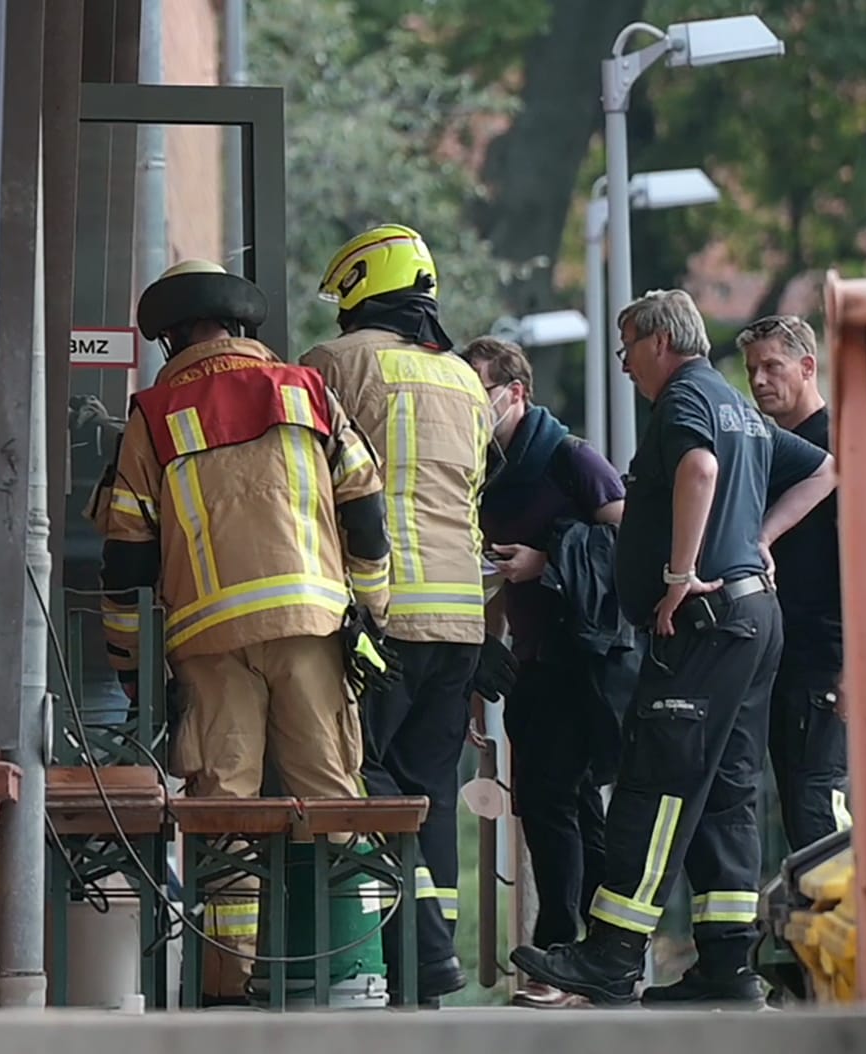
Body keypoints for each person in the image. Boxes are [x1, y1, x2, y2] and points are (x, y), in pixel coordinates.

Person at [510, 290, 838, 1009]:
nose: (623, 364)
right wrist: (760, 541)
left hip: (705, 623)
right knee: (725, 793)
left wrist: (680, 574)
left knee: (653, 784)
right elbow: (824, 468)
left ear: (661, 341)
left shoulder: (686, 398)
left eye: (627, 346)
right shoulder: (736, 405)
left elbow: (699, 471)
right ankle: (727, 965)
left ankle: (611, 952)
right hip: (754, 618)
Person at [86, 259, 392, 1004]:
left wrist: (129, 667)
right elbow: (366, 506)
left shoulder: (152, 416)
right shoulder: (306, 390)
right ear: (243, 325)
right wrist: (372, 612)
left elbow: (124, 558)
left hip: (208, 639)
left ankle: (225, 987)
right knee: (332, 797)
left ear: (169, 338)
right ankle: (352, 975)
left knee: (226, 809)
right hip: (312, 624)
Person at [300, 224, 491, 1005]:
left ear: (358, 292)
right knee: (431, 793)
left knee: (365, 780)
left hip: (385, 616)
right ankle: (426, 980)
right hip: (462, 621)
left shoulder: (335, 364)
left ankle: (425, 943)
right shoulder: (468, 382)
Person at [460, 337, 638, 1006]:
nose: (471, 406)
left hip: (585, 658)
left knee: (550, 799)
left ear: (515, 392)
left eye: (479, 392)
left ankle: (563, 947)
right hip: (533, 659)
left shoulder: (569, 457)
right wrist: (488, 669)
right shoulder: (489, 472)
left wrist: (548, 559)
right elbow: (500, 578)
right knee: (561, 803)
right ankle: (595, 953)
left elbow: (627, 538)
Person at [739, 315, 850, 851]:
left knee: (817, 805)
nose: (760, 380)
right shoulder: (773, 452)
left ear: (808, 367)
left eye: (772, 366)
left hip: (825, 662)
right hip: (781, 659)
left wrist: (856, 665)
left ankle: (853, 929)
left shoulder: (842, 448)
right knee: (798, 810)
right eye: (752, 369)